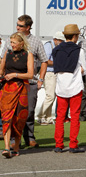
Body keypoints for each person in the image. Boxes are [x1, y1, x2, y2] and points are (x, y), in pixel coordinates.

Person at [1, 15, 48, 148]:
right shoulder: (12, 39)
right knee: (12, 112)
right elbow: (3, 59)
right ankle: (14, 141)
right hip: (10, 84)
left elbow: (44, 60)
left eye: (20, 26)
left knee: (29, 111)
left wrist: (41, 79)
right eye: (17, 25)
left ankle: (30, 138)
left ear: (28, 27)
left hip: (30, 82)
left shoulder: (36, 41)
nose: (17, 27)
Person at [52, 24, 86, 153]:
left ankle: (58, 144)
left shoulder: (56, 50)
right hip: (75, 86)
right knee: (75, 116)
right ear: (75, 36)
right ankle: (73, 144)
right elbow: (85, 70)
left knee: (60, 117)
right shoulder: (79, 50)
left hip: (61, 86)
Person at [0, 33, 34, 158]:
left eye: (14, 42)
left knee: (20, 118)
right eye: (11, 42)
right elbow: (1, 70)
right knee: (6, 116)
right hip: (7, 89)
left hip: (22, 88)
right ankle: (7, 147)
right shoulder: (7, 54)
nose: (12, 45)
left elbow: (30, 74)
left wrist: (15, 75)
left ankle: (16, 146)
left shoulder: (28, 55)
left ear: (21, 43)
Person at [37, 31, 65, 125]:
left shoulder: (56, 46)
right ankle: (41, 116)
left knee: (52, 96)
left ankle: (48, 117)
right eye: (61, 41)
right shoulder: (48, 46)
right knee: (50, 96)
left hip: (54, 72)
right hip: (49, 73)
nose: (62, 43)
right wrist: (58, 63)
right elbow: (45, 60)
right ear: (56, 39)